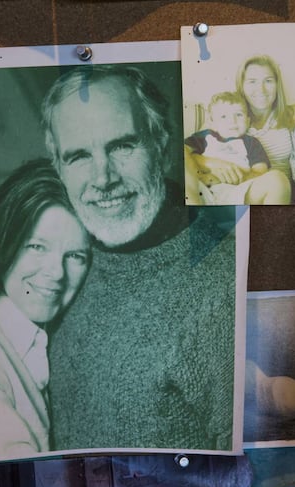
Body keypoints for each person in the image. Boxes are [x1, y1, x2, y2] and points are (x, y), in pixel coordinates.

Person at [42, 65, 241, 452]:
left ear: (162, 145)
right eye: (79, 156)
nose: (103, 178)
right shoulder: (59, 268)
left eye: (121, 146)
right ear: (59, 170)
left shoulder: (224, 287)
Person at [0, 160, 90, 464]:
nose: (56, 273)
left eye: (75, 256)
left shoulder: (45, 337)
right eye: (37, 246)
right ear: (4, 243)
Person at [189, 55, 295, 203]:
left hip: (273, 190)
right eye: (252, 81)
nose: (261, 89)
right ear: (242, 85)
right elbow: (187, 151)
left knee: (277, 180)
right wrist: (212, 163)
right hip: (221, 188)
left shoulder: (287, 115)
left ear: (277, 85)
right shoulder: (227, 119)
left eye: (268, 81)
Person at [185, 91, 290, 205]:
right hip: (201, 190)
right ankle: (194, 212)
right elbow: (181, 151)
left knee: (278, 180)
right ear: (212, 123)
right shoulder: (205, 136)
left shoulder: (251, 143)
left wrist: (232, 177)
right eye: (223, 116)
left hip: (236, 194)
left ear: (248, 121)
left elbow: (260, 173)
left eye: (239, 114)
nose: (232, 121)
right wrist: (204, 169)